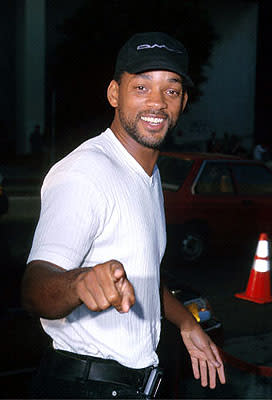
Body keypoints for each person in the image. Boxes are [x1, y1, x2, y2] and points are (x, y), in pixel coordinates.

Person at [21, 32, 225, 399]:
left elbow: (145, 276)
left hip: (130, 386)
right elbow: (35, 287)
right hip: (82, 386)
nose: (158, 103)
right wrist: (79, 282)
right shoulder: (85, 173)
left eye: (171, 90)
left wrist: (185, 322)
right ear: (115, 93)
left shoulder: (147, 173)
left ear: (183, 102)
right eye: (142, 87)